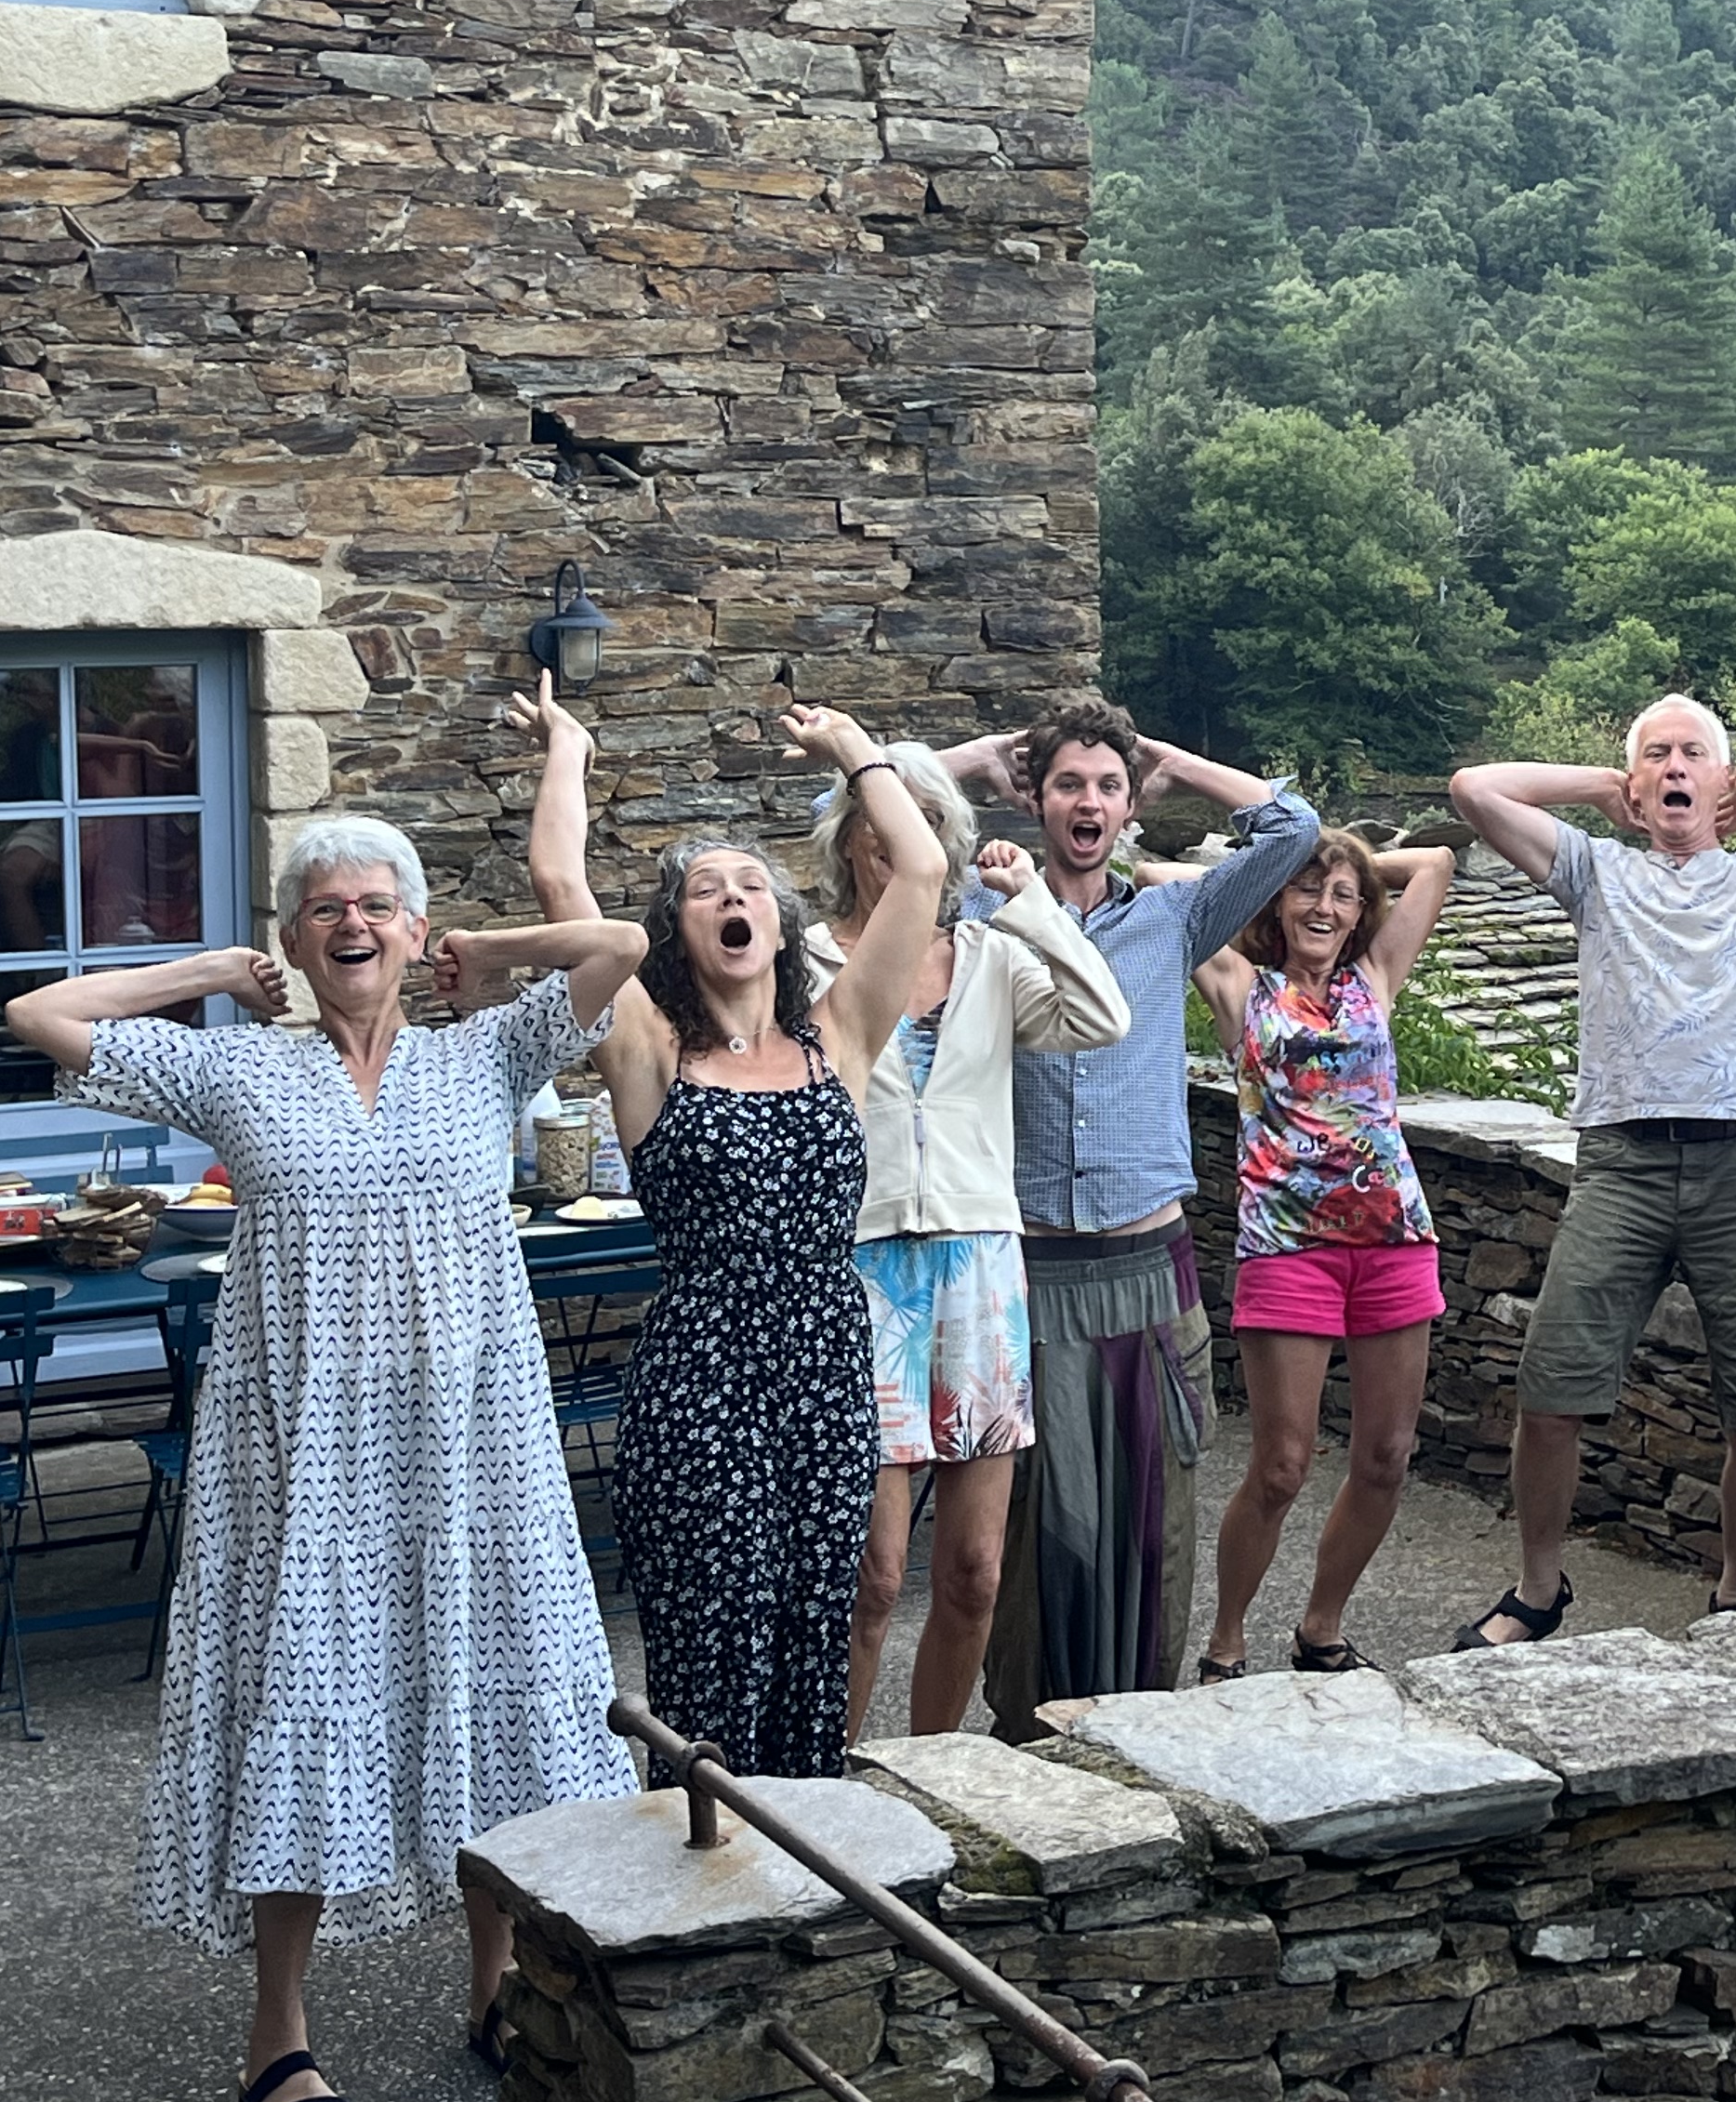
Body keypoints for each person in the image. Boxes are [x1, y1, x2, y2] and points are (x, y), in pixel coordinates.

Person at [7, 817, 647, 2102]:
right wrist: (205, 969)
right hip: (303, 1464)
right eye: (323, 911)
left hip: (477, 1451)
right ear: (294, 943)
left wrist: (491, 947)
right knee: (302, 1708)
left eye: (376, 906)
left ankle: (497, 1992)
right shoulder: (241, 1075)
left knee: (496, 1707)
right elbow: (40, 1010)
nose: (351, 925)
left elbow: (623, 942)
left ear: (413, 933)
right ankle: (276, 2040)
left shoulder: (488, 1054)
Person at [1450, 698, 1736, 1644]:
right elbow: (1472, 789)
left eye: (1692, 754)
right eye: (1656, 754)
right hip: (1622, 1159)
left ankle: (1734, 1591)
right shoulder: (1594, 873)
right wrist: (1602, 790)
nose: (1674, 767)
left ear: (1719, 778)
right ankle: (1539, 1591)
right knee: (1553, 1384)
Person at [552, 701, 946, 1787]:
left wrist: (852, 750)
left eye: (752, 885)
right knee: (713, 1644)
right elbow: (562, 891)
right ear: (679, 931)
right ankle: (697, 1886)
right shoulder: (648, 1046)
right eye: (704, 890)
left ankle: (800, 1905)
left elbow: (917, 872)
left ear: (782, 924)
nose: (733, 898)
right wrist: (571, 755)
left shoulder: (844, 1032)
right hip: (700, 1373)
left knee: (820, 1627)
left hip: (825, 1367)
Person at [940, 702, 1319, 1736]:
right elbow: (857, 816)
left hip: (1148, 1264)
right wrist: (975, 762)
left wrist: (1168, 760)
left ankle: (1141, 1736)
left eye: (1108, 786)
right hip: (1028, 1267)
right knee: (1032, 1533)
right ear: (1037, 796)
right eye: (1070, 784)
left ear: (1128, 804)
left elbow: (1296, 830)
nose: (1090, 803)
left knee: (1151, 1523)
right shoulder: (976, 914)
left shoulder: (1175, 916)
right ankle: (1024, 1735)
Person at [807, 743, 1129, 1738]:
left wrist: (1029, 902)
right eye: (875, 819)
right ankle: (832, 1781)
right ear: (850, 837)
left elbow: (1101, 1016)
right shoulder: (807, 960)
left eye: (918, 821)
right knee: (874, 1574)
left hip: (981, 1267)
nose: (894, 841)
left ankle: (933, 1773)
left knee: (976, 1572)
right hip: (863, 1270)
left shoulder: (992, 958)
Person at [1190, 829, 1458, 1680]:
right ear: (1275, 900)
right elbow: (1169, 888)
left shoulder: (1373, 979)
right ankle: (1226, 1639)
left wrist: (1352, 859)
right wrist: (1280, 856)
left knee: (1386, 1455)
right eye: (1308, 889)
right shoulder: (1240, 983)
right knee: (1281, 1463)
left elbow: (1439, 864)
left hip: (1393, 1240)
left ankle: (1321, 1627)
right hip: (1286, 1244)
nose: (1326, 907)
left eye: (1343, 894)